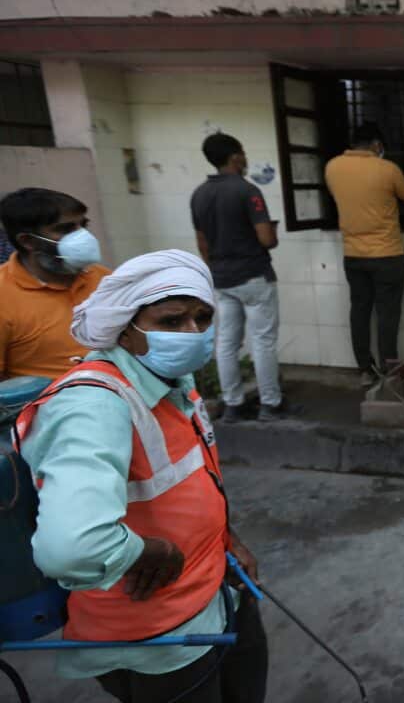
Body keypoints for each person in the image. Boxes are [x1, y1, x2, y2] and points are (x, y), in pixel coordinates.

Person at [12, 249, 268, 703]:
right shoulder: (93, 406)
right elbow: (72, 548)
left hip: (216, 593)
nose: (192, 333)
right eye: (171, 321)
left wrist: (228, 539)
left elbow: (192, 480)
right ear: (126, 330)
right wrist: (149, 549)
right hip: (159, 636)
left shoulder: (172, 378)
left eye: (201, 318)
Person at [191, 132, 288, 422]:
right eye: (243, 153)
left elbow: (202, 242)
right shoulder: (247, 190)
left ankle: (232, 404)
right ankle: (270, 403)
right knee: (263, 341)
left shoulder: (199, 194)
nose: (245, 159)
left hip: (222, 279)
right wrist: (272, 232)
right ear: (235, 157)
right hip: (253, 276)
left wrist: (217, 270)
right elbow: (266, 239)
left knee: (226, 343)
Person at [324, 122, 404, 386]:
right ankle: (389, 368)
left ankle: (365, 370)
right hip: (387, 253)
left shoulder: (332, 167)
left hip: (353, 255)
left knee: (360, 311)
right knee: (388, 313)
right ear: (377, 145)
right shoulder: (387, 169)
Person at [0, 187, 110, 381]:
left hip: (121, 393)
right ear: (28, 242)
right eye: (66, 229)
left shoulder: (103, 278)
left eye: (83, 225)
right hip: (47, 406)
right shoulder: (4, 295)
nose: (82, 236)